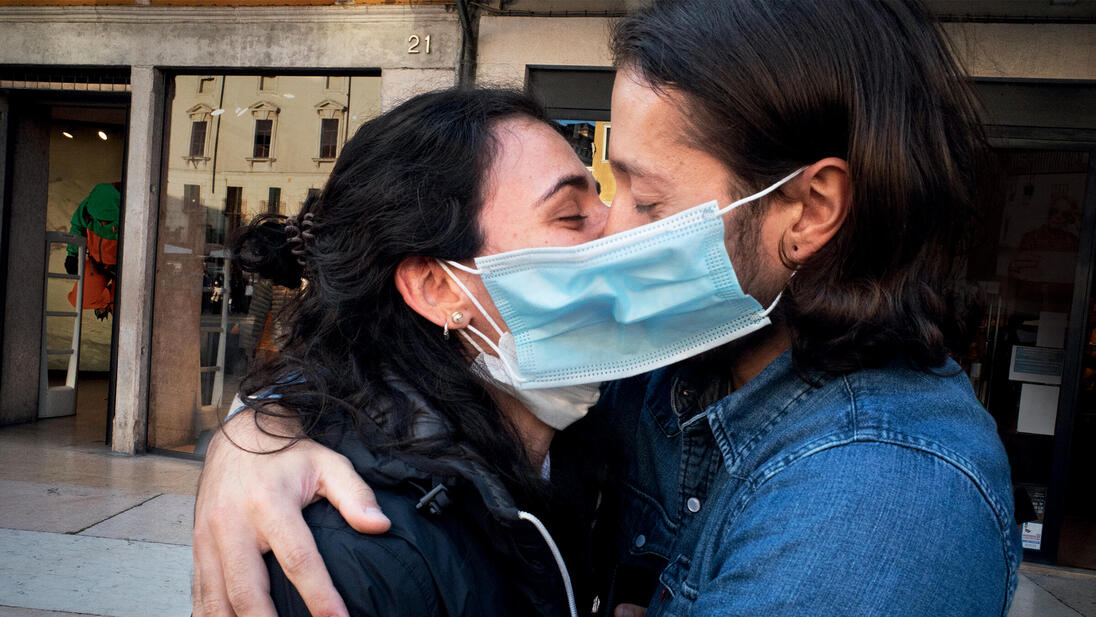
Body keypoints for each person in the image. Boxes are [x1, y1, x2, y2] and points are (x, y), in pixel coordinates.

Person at [192, 1, 1022, 616]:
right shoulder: (675, 355)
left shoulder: (881, 502)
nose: (612, 232)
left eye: (649, 202)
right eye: (600, 189)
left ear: (806, 211)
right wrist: (261, 428)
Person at [211, 87, 608, 616]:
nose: (619, 225)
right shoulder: (356, 555)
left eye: (603, 198)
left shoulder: (607, 425)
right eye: (571, 216)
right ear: (438, 289)